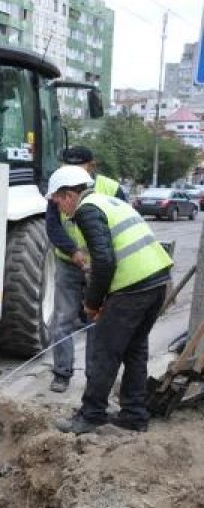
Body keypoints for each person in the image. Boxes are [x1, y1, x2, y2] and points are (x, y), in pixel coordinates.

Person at [46, 166, 173, 434]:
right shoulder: (108, 201)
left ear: (70, 195)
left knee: (104, 352)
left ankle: (91, 415)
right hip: (157, 281)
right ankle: (134, 414)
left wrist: (93, 303)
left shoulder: (87, 210)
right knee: (134, 350)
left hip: (133, 287)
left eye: (57, 199)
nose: (57, 205)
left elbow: (104, 261)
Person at [45, 146, 128, 393]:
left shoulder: (111, 189)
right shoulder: (59, 188)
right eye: (65, 165)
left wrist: (97, 261)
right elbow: (53, 227)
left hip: (101, 267)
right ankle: (62, 372)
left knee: (96, 320)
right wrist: (74, 252)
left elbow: (120, 223)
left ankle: (95, 376)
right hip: (68, 263)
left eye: (77, 166)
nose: (69, 171)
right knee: (61, 319)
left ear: (91, 165)